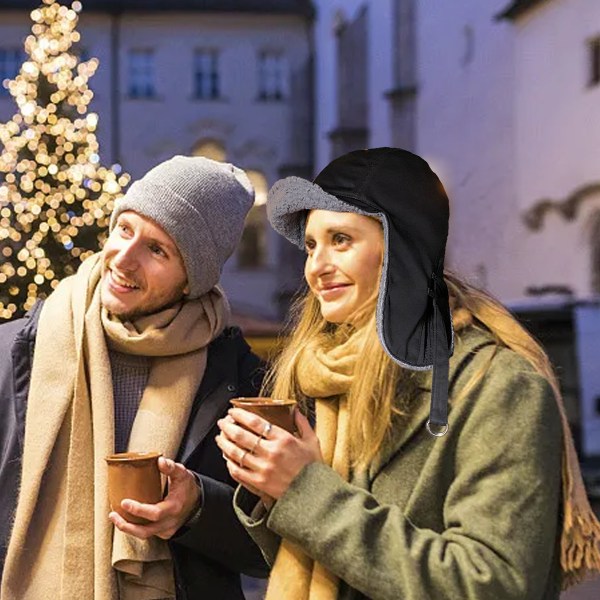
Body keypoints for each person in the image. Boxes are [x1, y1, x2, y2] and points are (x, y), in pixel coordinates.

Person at [217, 147, 600, 599]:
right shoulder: (327, 377)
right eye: (312, 244)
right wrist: (269, 490)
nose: (315, 267)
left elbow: (494, 584)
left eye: (341, 240)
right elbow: (323, 559)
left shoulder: (498, 385)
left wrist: (304, 491)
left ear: (401, 249)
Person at [0, 155, 269, 599]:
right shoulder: (15, 352)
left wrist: (198, 509)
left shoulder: (238, 377)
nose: (122, 259)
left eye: (157, 249)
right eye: (124, 229)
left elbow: (268, 545)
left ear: (192, 280)